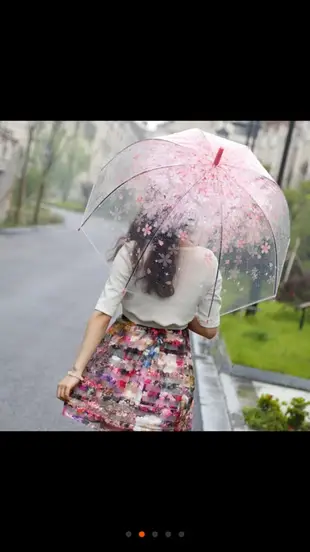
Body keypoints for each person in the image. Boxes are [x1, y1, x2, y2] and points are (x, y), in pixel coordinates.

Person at [57, 212, 222, 431]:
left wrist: (75, 372)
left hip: (122, 360)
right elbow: (210, 330)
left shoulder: (133, 250)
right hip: (172, 370)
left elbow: (103, 313)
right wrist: (180, 309)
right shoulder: (209, 262)